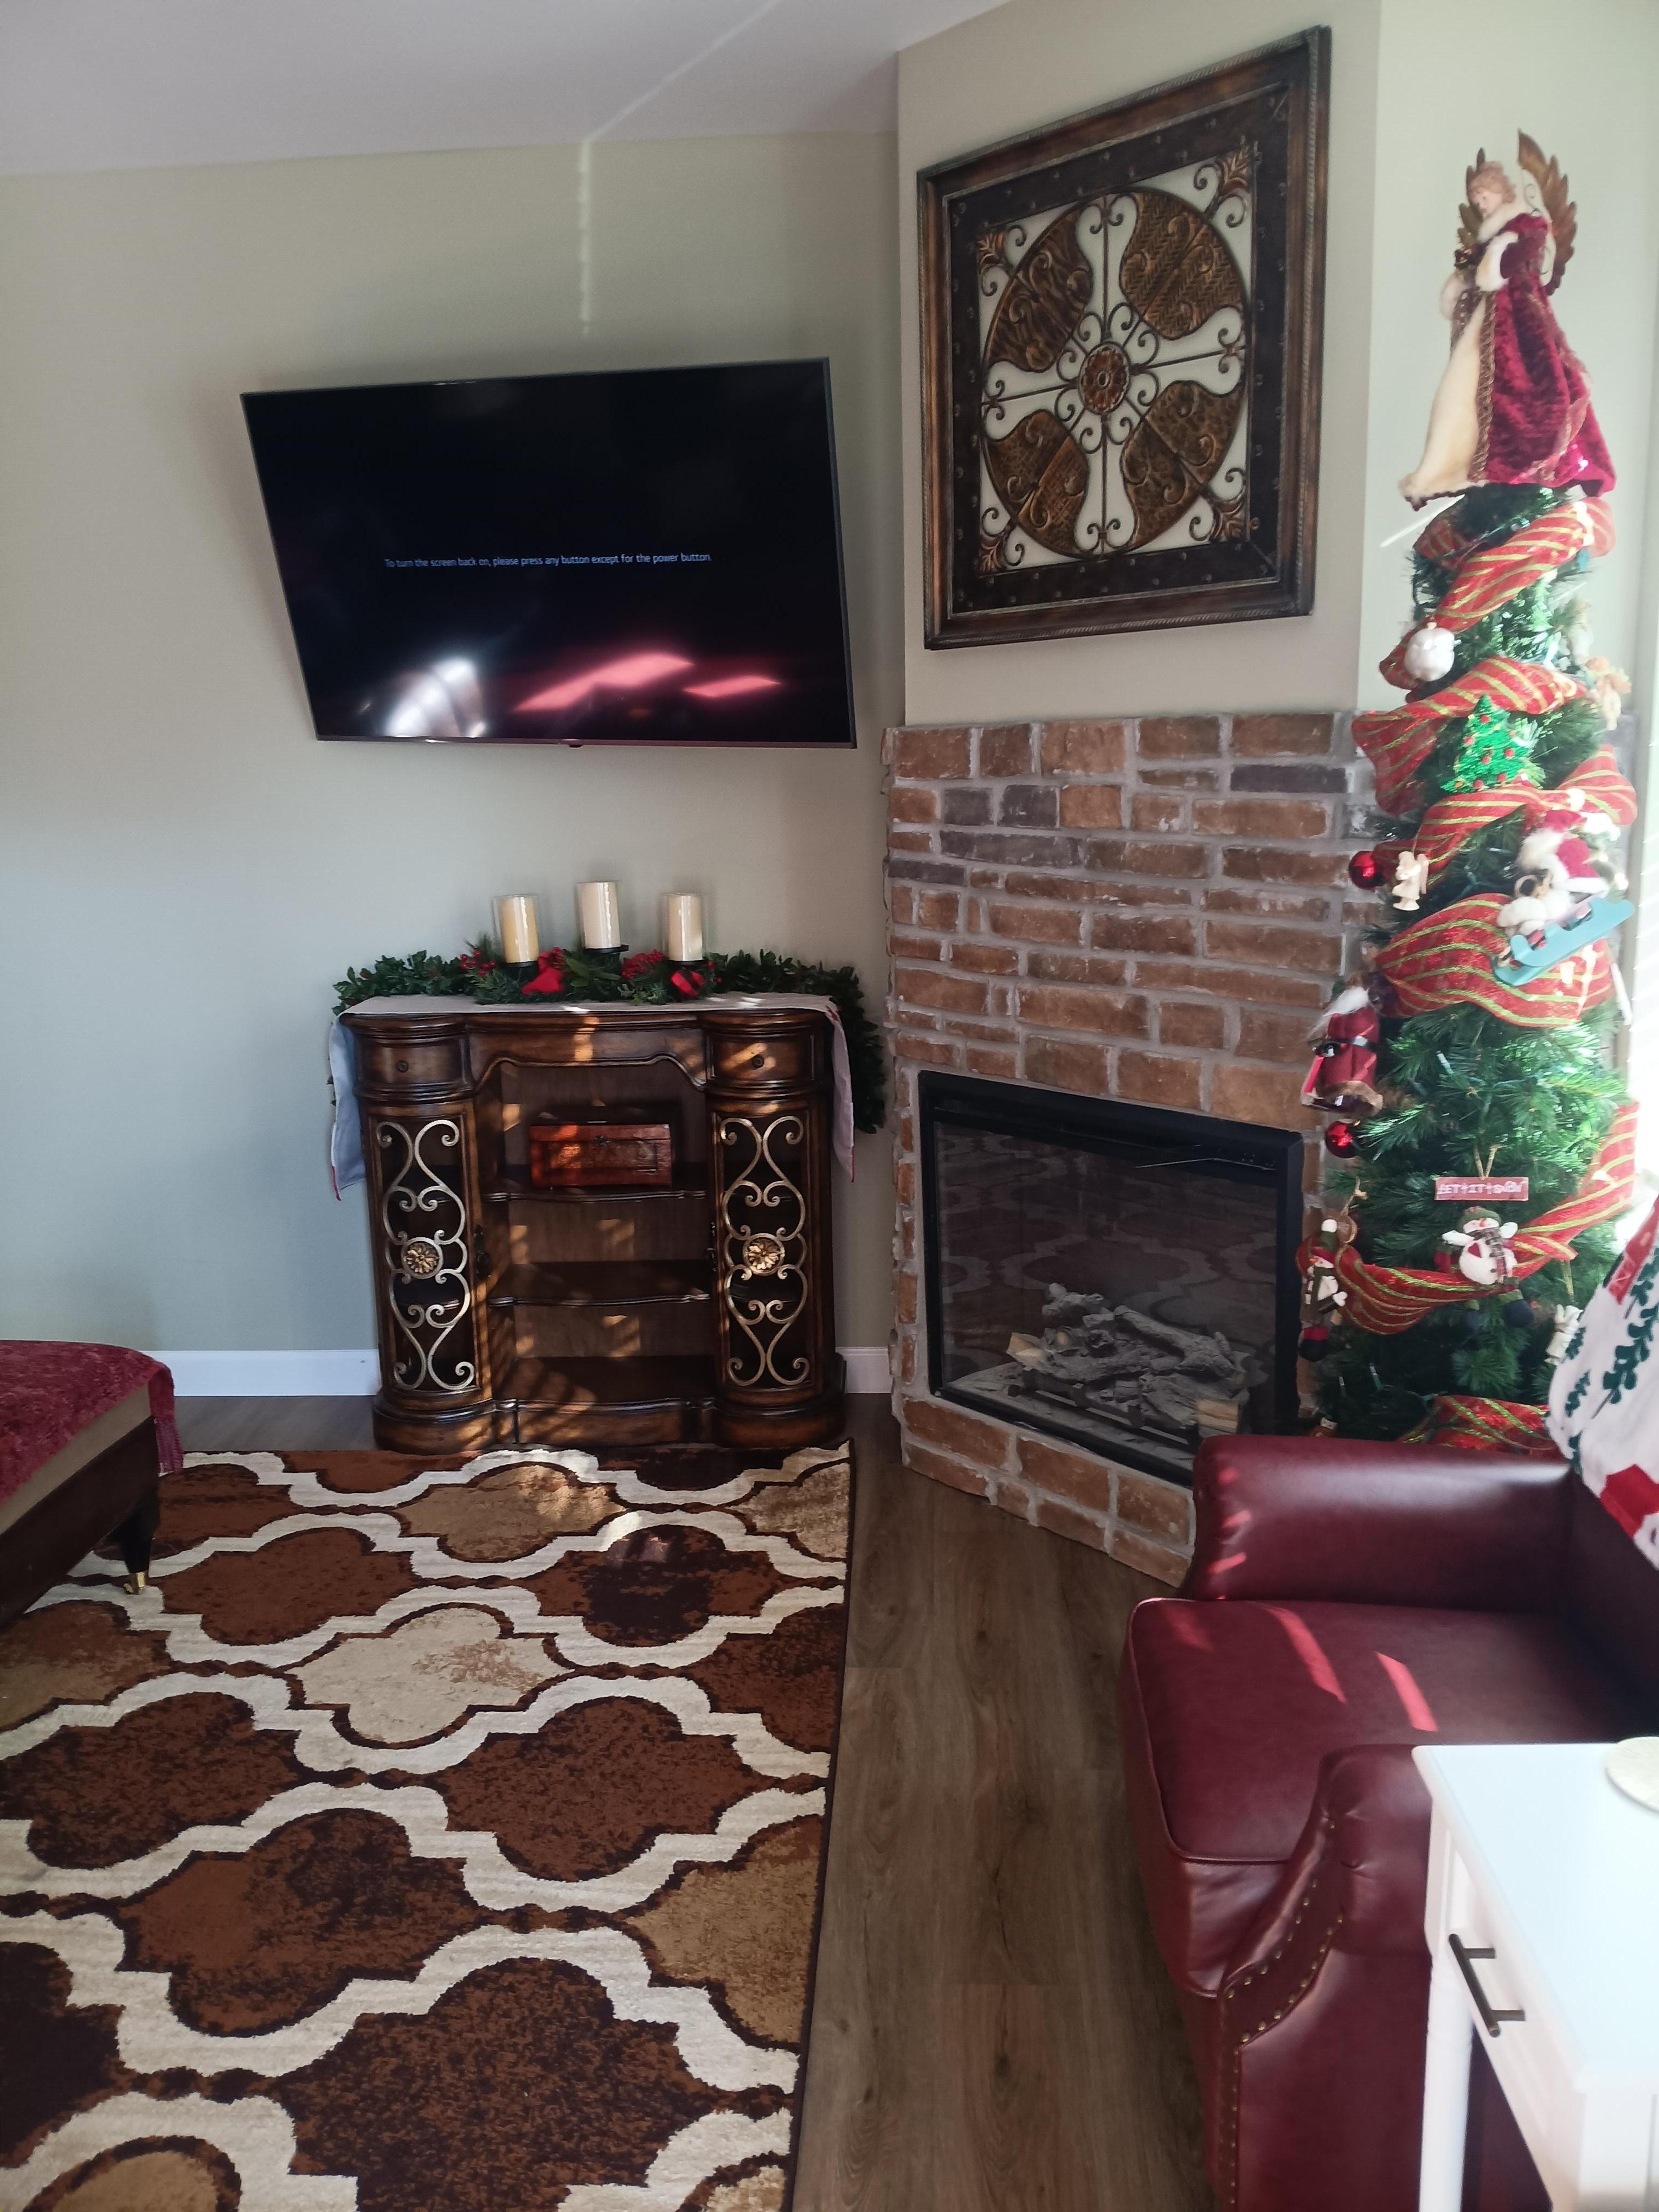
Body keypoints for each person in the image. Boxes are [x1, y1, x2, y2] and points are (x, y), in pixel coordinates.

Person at [1401, 156, 1613, 506]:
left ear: (1500, 192)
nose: (1481, 206)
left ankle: (1513, 466)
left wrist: (1495, 255)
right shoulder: (1494, 234)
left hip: (1519, 316)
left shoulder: (1527, 225)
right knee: (1464, 387)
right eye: (1477, 201)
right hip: (1492, 316)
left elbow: (1506, 267)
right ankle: (1451, 465)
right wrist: (1467, 271)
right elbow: (1480, 271)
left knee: (1530, 386)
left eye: (1484, 198)